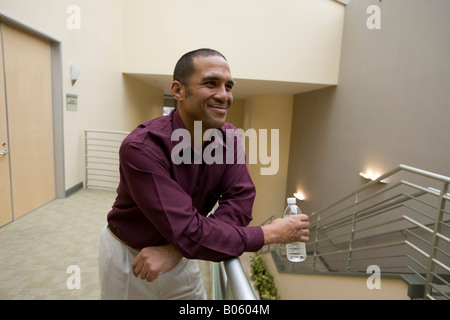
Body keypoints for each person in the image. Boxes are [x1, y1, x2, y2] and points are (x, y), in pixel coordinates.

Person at [98, 48, 309, 300]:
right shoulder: (142, 148)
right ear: (178, 90)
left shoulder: (230, 138)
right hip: (129, 257)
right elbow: (188, 230)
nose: (223, 95)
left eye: (228, 86)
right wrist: (270, 234)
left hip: (181, 256)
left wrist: (176, 250)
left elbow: (239, 203)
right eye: (211, 84)